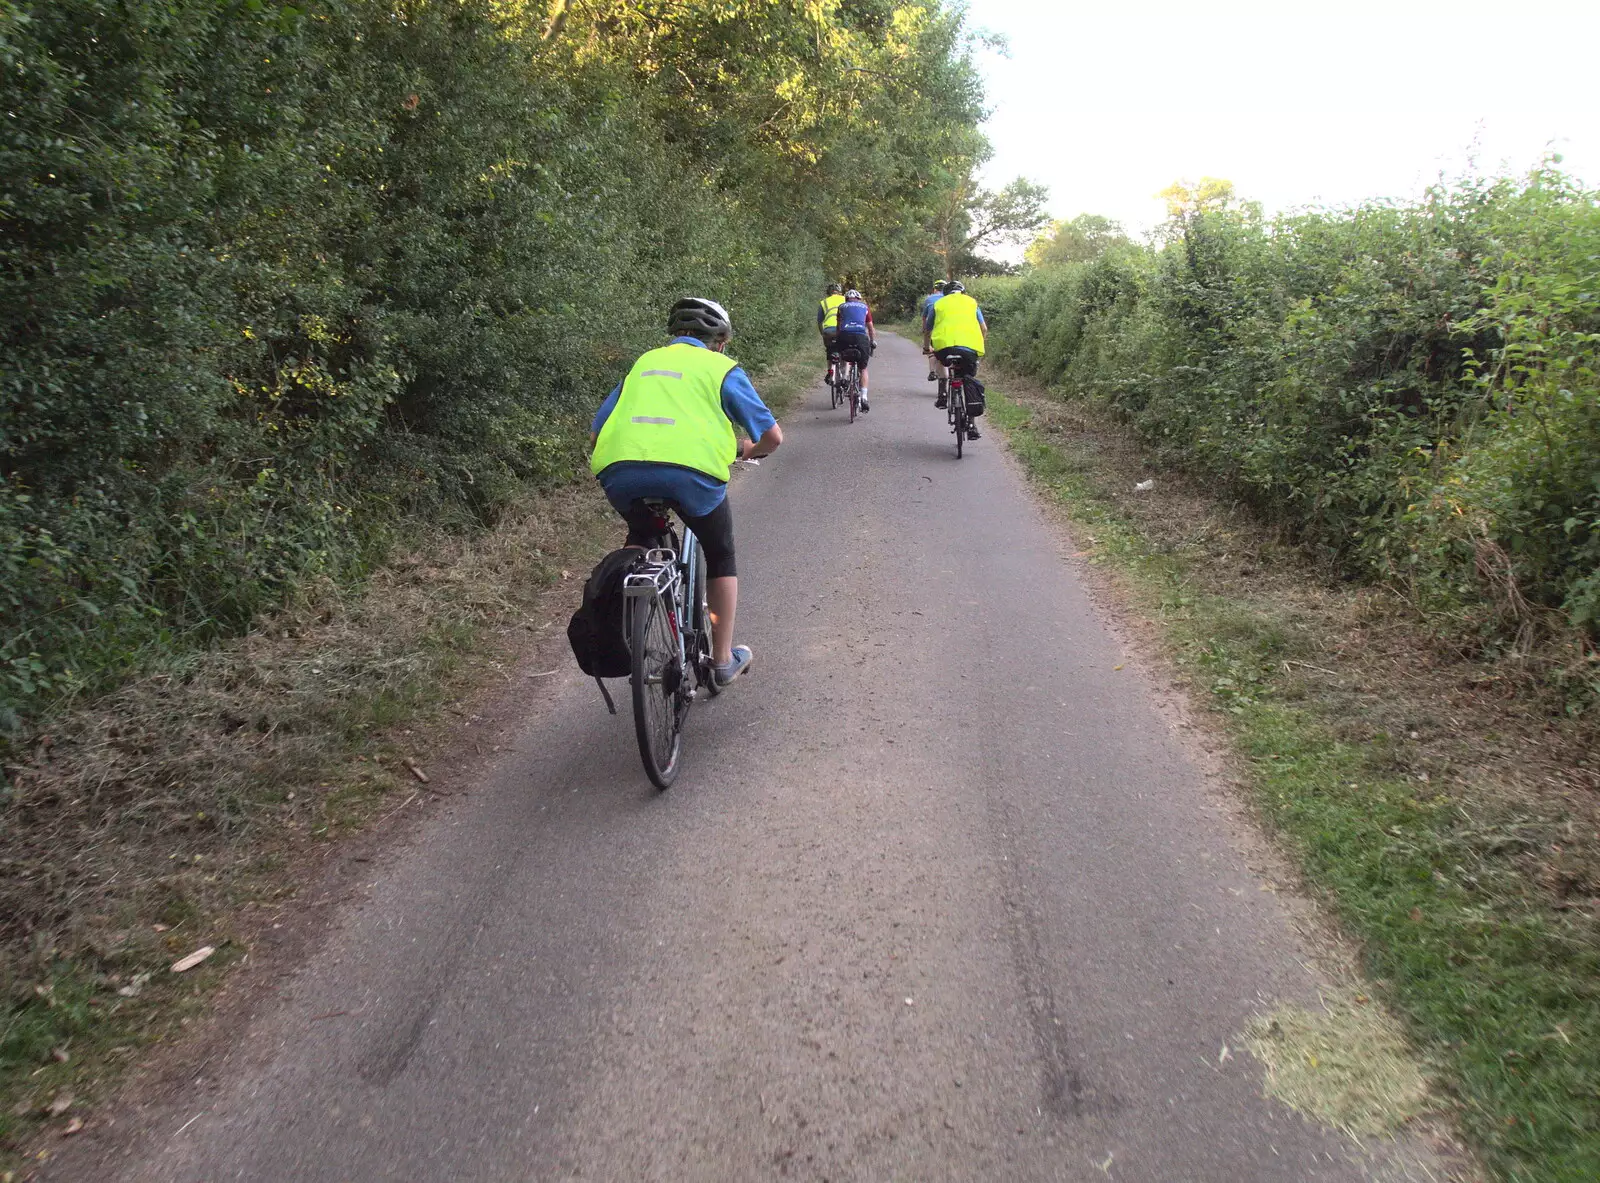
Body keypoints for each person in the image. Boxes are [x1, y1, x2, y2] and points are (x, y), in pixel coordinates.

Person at [590, 297, 783, 686]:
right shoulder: (721, 367)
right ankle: (722, 660)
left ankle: (642, 608)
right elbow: (772, 437)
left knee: (643, 536)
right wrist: (745, 450)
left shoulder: (643, 364)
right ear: (721, 341)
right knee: (720, 552)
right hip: (691, 477)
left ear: (674, 336)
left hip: (620, 472)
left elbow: (597, 432)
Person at [923, 279, 987, 440]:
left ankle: (943, 393)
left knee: (940, 361)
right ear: (963, 292)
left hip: (944, 348)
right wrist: (979, 344)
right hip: (969, 349)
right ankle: (972, 425)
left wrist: (926, 347)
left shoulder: (939, 304)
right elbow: (984, 328)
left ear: (945, 293)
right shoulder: (972, 303)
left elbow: (927, 330)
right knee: (968, 378)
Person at [832, 289, 876, 412]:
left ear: (846, 299)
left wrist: (837, 340)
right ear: (858, 299)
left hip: (845, 335)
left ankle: (843, 377)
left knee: (841, 356)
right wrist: (872, 341)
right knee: (863, 368)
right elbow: (871, 328)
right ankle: (864, 397)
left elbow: (838, 327)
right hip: (860, 337)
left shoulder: (841, 307)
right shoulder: (864, 307)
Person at [817, 283, 845, 383]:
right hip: (842, 330)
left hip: (828, 331)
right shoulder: (845, 300)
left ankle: (830, 372)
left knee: (830, 350)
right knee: (844, 351)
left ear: (829, 292)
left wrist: (822, 334)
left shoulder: (824, 302)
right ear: (840, 292)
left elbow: (819, 321)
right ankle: (843, 373)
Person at [918, 281, 946, 380]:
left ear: (935, 289)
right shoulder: (948, 299)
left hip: (933, 328)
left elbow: (924, 318)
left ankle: (932, 371)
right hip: (946, 328)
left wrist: (924, 329)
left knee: (931, 350)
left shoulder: (929, 299)